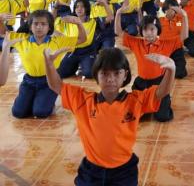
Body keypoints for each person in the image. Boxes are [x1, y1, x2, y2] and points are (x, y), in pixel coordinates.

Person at [44, 47, 175, 185]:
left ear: (125, 75)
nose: (110, 79)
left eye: (117, 73)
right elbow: (56, 85)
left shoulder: (135, 101)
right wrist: (49, 64)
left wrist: (171, 69)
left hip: (124, 171)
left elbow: (161, 92)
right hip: (91, 171)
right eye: (104, 73)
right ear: (96, 75)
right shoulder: (83, 101)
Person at [3, 10, 85, 118]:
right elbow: (3, 33)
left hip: (49, 82)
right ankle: (34, 100)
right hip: (28, 81)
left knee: (40, 112)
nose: (39, 27)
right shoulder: (22, 39)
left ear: (49, 27)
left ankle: (45, 102)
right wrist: (0, 19)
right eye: (35, 24)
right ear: (30, 26)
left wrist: (78, 23)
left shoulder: (58, 41)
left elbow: (82, 39)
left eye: (43, 24)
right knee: (18, 113)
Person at [115, 13, 181, 122]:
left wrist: (183, 15)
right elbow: (118, 32)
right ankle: (146, 104)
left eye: (152, 29)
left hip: (159, 84)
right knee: (135, 116)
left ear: (158, 30)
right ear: (141, 31)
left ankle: (165, 100)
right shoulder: (136, 42)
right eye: (145, 30)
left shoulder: (166, 43)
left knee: (162, 117)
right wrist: (118, 13)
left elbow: (184, 37)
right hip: (141, 84)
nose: (149, 33)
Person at [56, 0, 101, 79]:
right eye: (77, 7)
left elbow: (85, 41)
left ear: (87, 8)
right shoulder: (68, 21)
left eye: (82, 6)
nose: (79, 9)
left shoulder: (93, 21)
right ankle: (76, 65)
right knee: (60, 73)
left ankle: (91, 61)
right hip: (72, 51)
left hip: (87, 52)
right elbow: (52, 22)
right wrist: (55, 7)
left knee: (89, 73)